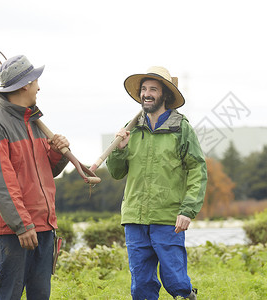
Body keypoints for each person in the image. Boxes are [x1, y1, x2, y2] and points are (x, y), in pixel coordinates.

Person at [107, 66, 207, 300]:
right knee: (141, 285)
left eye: (153, 89)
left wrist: (188, 210)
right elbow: (117, 173)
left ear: (165, 95)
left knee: (176, 282)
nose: (147, 94)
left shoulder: (181, 128)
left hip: (168, 218)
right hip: (134, 217)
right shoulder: (131, 129)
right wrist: (119, 151)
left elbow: (197, 170)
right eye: (143, 89)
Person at [0, 55, 70, 300]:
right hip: (14, 230)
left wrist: (56, 152)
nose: (39, 87)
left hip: (43, 226)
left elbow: (46, 172)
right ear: (25, 85)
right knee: (9, 295)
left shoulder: (34, 122)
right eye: (36, 81)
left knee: (40, 295)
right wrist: (22, 224)